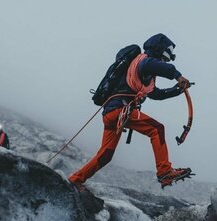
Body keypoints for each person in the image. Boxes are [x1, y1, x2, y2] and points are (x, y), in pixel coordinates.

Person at [69, 33, 193, 190]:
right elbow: (161, 67)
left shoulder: (145, 72)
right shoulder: (145, 61)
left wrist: (177, 90)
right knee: (156, 129)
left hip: (111, 114)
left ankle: (75, 179)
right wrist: (177, 75)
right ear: (161, 49)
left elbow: (156, 94)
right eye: (168, 52)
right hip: (121, 110)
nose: (170, 57)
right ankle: (165, 171)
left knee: (106, 155)